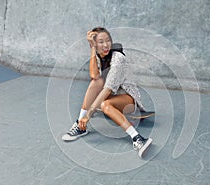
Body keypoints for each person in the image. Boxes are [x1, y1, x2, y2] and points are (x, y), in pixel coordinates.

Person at [62, 27, 152, 158]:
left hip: (129, 102)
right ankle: (80, 125)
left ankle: (138, 138)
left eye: (108, 40)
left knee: (105, 105)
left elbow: (108, 89)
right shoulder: (99, 55)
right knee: (96, 82)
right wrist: (92, 49)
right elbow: (94, 76)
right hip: (110, 97)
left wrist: (90, 114)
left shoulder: (118, 58)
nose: (105, 45)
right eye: (100, 42)